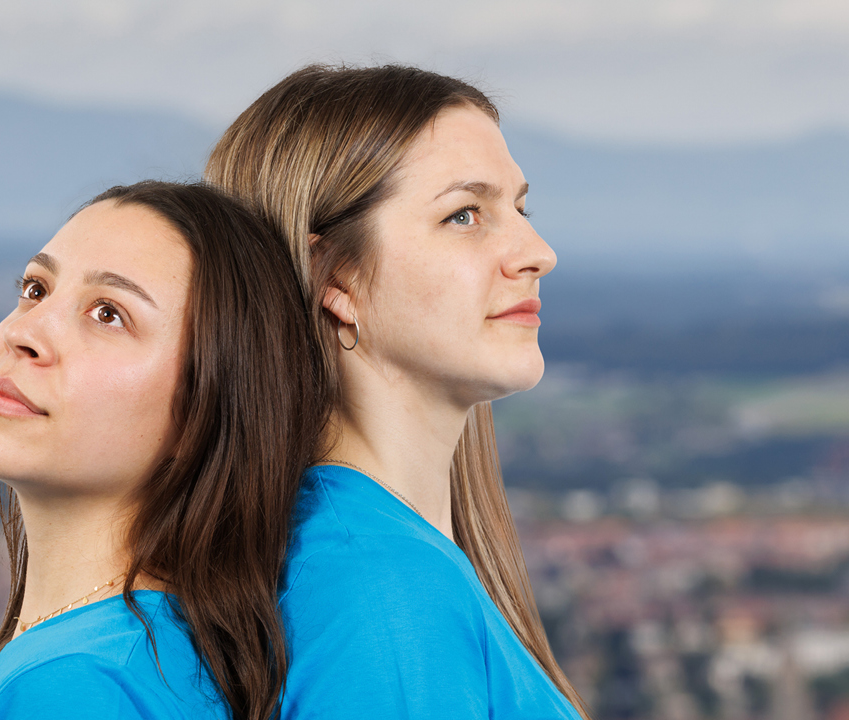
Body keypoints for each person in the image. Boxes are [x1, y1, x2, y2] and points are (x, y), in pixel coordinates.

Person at [205, 65, 590, 718]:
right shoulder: (384, 596)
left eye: (520, 208)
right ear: (338, 278)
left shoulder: (371, 559)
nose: (536, 251)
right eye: (465, 215)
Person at [0, 181, 327, 720]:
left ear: (204, 411)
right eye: (37, 288)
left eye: (108, 313)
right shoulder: (148, 662)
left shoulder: (76, 689)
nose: (25, 331)